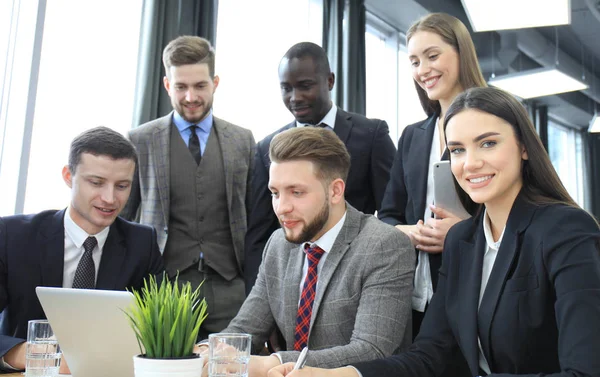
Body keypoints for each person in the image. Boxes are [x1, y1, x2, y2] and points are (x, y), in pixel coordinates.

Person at [268, 86, 600, 377]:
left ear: (524, 147)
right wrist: (342, 375)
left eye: (487, 143)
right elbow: (429, 356)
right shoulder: (463, 241)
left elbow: (584, 371)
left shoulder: (566, 231)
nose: (470, 163)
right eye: (457, 150)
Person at [207, 127, 414, 377]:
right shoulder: (278, 244)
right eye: (275, 193)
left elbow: (370, 350)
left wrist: (273, 362)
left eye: (296, 192)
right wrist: (211, 352)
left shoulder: (384, 245)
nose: (281, 208)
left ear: (335, 191)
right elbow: (245, 329)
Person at [121, 36, 255, 339]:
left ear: (215, 82)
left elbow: (257, 221)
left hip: (232, 289)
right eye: (181, 87)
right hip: (163, 287)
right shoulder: (140, 140)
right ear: (167, 85)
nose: (191, 96)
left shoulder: (243, 140)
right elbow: (125, 221)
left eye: (200, 86)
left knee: (231, 369)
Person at [0, 126, 165, 372]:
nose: (110, 199)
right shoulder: (12, 236)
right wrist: (23, 353)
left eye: (122, 186)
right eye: (96, 183)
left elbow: (161, 331)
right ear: (68, 176)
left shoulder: (143, 244)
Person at [244, 41, 396, 294]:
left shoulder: (371, 135)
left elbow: (392, 211)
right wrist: (262, 301)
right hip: (293, 285)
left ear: (329, 81)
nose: (295, 97)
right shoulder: (267, 148)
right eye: (286, 88)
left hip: (358, 278)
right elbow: (258, 235)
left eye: (305, 86)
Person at [377, 13, 487, 339]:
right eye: (414, 61)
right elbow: (388, 214)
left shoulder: (494, 124)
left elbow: (519, 208)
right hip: (416, 292)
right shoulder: (413, 136)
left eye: (432, 56)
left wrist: (463, 230)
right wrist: (406, 232)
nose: (423, 69)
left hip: (475, 284)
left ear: (461, 53)